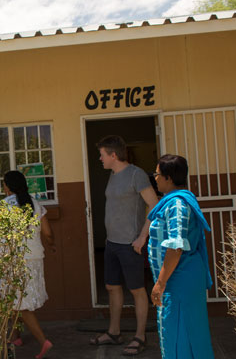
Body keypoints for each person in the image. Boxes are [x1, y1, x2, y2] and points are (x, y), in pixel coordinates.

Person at [90, 135, 158, 356]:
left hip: (131, 244)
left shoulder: (136, 175)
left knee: (137, 290)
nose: (100, 159)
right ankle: (114, 332)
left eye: (102, 155)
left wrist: (142, 237)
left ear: (113, 155)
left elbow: (154, 205)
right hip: (111, 243)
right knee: (112, 287)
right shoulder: (113, 174)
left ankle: (140, 336)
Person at [148, 154, 214, 358]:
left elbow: (176, 247)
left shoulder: (177, 205)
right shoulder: (173, 202)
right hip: (179, 278)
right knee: (184, 333)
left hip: (179, 280)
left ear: (168, 177)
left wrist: (160, 283)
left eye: (157, 174)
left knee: (179, 336)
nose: (155, 178)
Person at [3, 170, 55, 359]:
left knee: (21, 305)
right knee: (17, 300)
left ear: (7, 187)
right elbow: (48, 233)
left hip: (13, 260)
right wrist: (52, 245)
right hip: (34, 259)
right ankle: (15, 336)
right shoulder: (36, 203)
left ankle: (44, 342)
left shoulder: (4, 206)